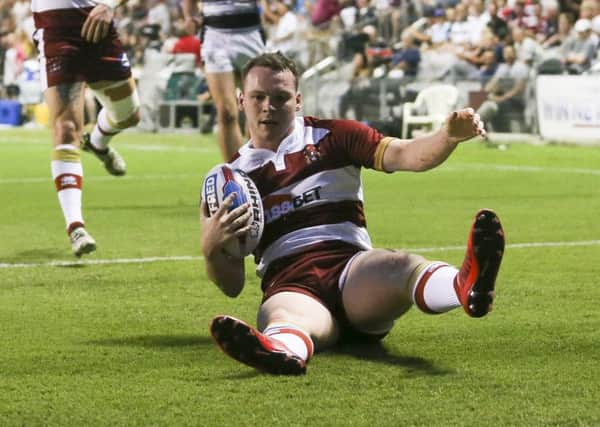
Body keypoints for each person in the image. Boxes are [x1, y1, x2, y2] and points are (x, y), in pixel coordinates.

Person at [200, 52, 505, 375]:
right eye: (258, 97)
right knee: (282, 315)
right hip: (291, 284)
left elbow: (406, 155)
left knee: (396, 265)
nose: (268, 106)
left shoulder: (335, 136)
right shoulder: (228, 179)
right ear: (241, 99)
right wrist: (211, 248)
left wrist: (446, 138)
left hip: (352, 273)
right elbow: (231, 284)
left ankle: (464, 286)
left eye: (281, 97)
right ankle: (281, 353)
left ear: (298, 100)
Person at [32, 0, 141, 256]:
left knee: (130, 115)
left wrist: (110, 5)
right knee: (66, 128)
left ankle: (98, 143)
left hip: (98, 23)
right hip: (56, 28)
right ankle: (76, 226)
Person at [182, 0, 265, 161]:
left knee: (257, 108)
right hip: (214, 34)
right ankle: (235, 175)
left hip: (250, 31)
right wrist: (189, 16)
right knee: (226, 112)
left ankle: (259, 167)